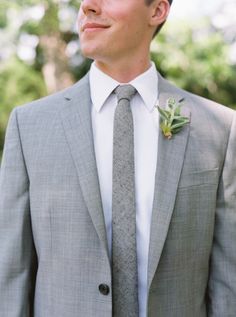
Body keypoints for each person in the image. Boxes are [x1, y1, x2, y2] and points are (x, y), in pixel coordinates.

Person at [0, 0, 235, 316]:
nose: (88, 7)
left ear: (157, 11)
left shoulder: (219, 129)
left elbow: (227, 283)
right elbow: (11, 276)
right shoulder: (29, 126)